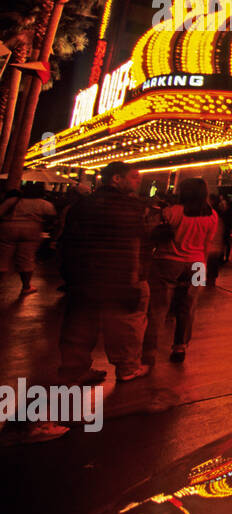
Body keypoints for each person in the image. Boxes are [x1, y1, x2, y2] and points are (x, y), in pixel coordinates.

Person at [56, 161, 153, 384]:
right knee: (126, 326)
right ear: (116, 179)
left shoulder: (82, 205)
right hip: (118, 275)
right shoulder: (132, 208)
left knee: (80, 325)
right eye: (133, 176)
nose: (138, 181)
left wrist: (69, 273)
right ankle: (127, 368)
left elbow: (68, 240)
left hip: (83, 275)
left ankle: (74, 370)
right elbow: (137, 245)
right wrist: (136, 276)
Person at [144, 177, 219, 363]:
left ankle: (149, 352)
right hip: (198, 264)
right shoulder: (213, 216)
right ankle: (180, 346)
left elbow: (149, 231)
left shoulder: (172, 212)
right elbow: (208, 243)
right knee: (189, 307)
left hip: (168, 261)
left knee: (158, 309)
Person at [0, 185, 56, 295]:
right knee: (26, 258)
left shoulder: (13, 201)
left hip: (8, 227)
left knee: (3, 257)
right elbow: (52, 219)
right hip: (32, 229)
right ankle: (26, 286)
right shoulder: (44, 204)